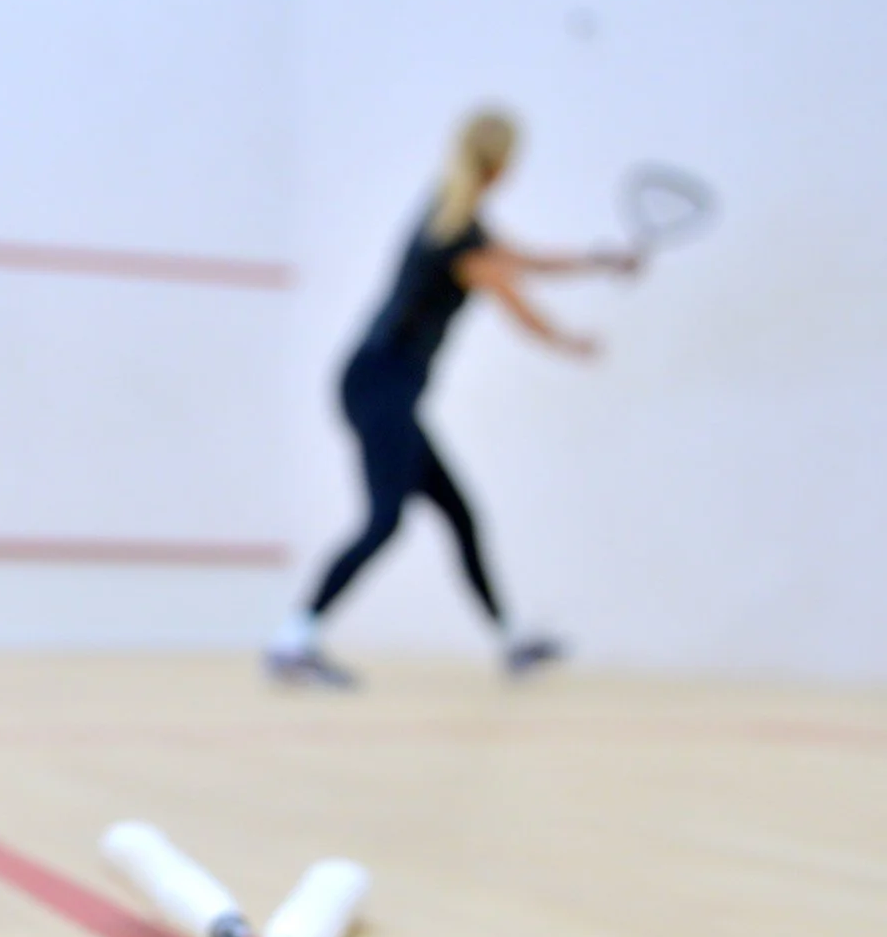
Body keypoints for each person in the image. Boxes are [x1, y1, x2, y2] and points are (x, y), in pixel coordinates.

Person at [267, 108, 635, 687]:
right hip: (379, 385)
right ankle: (293, 642)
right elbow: (518, 304)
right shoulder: (460, 236)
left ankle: (513, 642)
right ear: (502, 164)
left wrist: (601, 260)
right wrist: (572, 343)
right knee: (385, 521)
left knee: (460, 515)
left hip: (381, 386)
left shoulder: (453, 213)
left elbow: (526, 261)